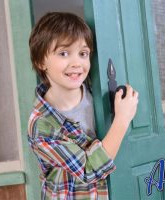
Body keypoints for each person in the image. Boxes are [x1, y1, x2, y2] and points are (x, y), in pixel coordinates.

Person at [28, 12, 138, 199]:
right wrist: (122, 119)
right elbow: (89, 169)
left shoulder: (97, 93)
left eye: (83, 54)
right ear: (41, 61)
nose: (77, 63)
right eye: (63, 53)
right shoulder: (42, 125)